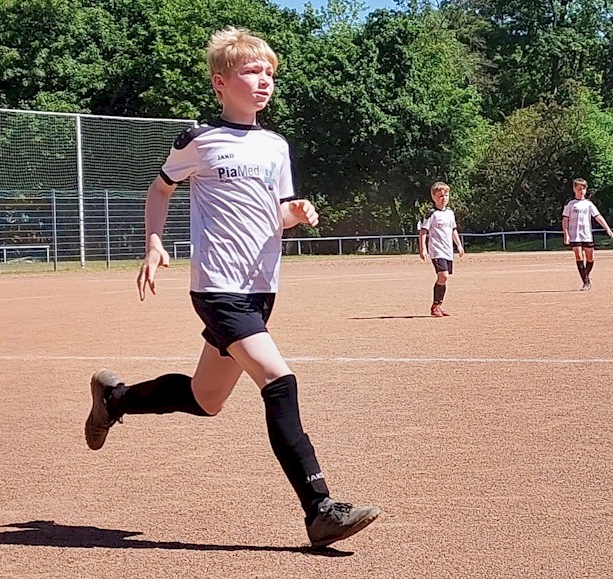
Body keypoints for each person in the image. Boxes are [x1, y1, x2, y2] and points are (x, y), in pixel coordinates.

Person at [84, 26, 380, 549]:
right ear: (221, 82)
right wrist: (153, 241)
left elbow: (277, 213)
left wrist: (297, 212)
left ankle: (116, 400)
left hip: (262, 289)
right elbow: (159, 190)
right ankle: (320, 509)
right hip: (218, 287)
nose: (263, 80)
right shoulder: (199, 140)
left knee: (206, 399)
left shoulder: (276, 146)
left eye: (268, 72)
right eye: (251, 71)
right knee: (279, 380)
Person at [418, 181, 464, 317]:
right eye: (440, 196)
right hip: (436, 250)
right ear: (433, 197)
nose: (444, 198)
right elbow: (423, 231)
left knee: (444, 278)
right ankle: (435, 306)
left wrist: (459, 245)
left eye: (446, 195)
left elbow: (453, 230)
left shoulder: (450, 213)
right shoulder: (431, 214)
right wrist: (423, 249)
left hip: (448, 250)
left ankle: (438, 304)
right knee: (442, 275)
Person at [561, 178, 613, 291]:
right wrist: (566, 233)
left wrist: (607, 228)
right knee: (579, 257)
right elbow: (565, 219)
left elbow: (597, 216)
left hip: (586, 234)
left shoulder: (588, 204)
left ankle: (586, 275)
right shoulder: (570, 204)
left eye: (583, 188)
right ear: (574, 189)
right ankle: (586, 282)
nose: (581, 191)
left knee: (590, 258)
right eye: (579, 189)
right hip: (575, 234)